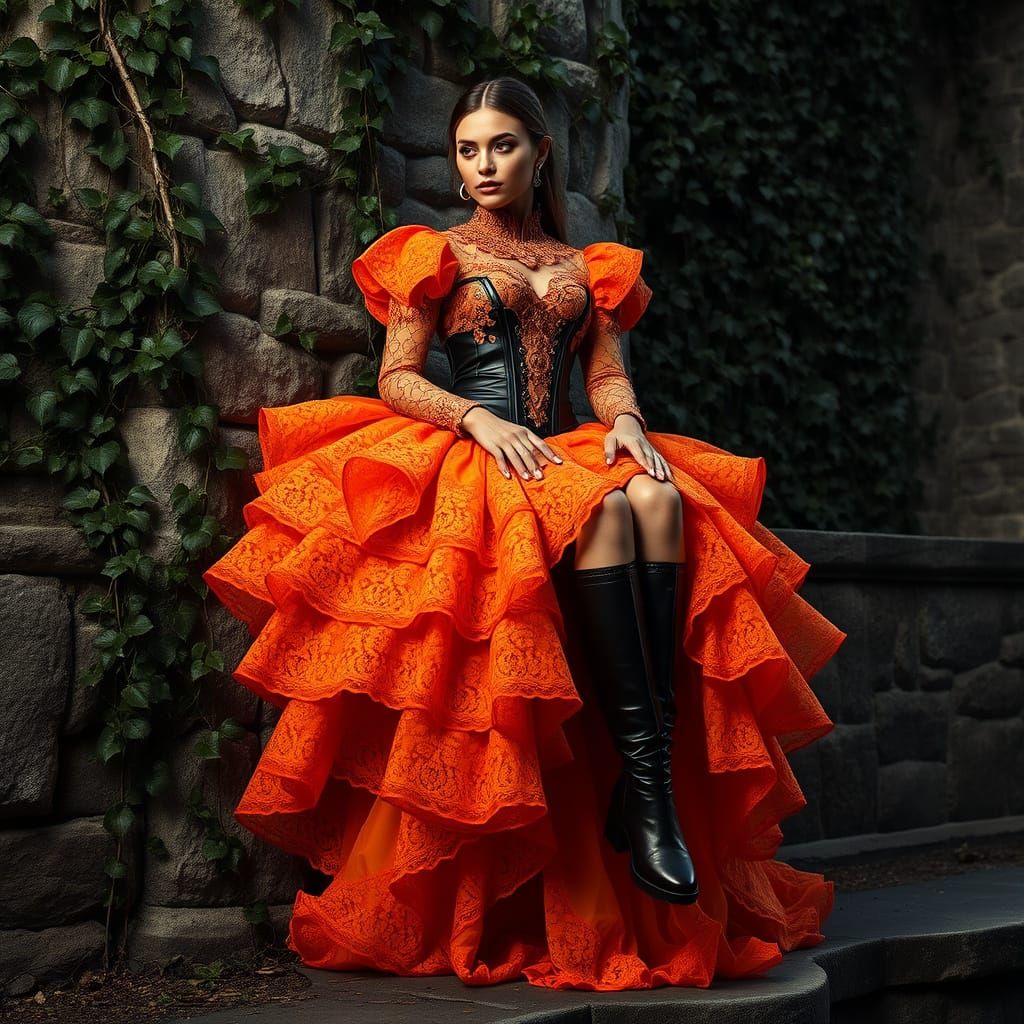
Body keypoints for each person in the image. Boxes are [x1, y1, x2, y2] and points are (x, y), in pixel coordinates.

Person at [201, 75, 848, 991]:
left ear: (539, 153)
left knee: (662, 498)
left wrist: (624, 421)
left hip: (568, 442)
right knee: (616, 508)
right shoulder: (436, 253)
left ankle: (647, 783)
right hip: (490, 449)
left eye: (500, 146)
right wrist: (475, 420)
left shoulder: (588, 266)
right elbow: (396, 377)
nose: (481, 166)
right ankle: (647, 787)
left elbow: (609, 374)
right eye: (466, 150)